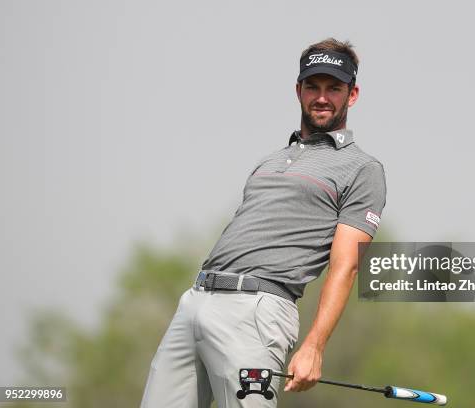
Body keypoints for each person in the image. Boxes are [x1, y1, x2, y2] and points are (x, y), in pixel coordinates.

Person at [141, 37, 387, 408]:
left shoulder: (363, 169)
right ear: (298, 90)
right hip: (195, 300)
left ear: (352, 95)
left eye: (334, 88)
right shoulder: (269, 161)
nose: (322, 97)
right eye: (313, 86)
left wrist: (314, 346)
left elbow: (346, 265)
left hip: (256, 311)